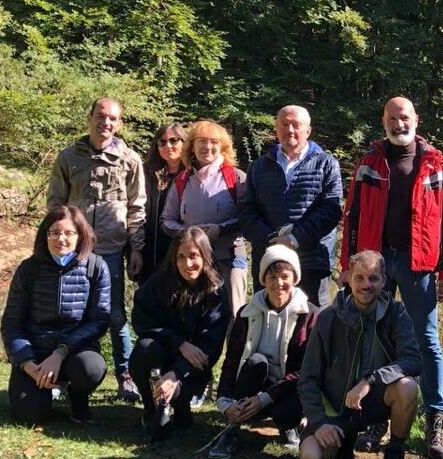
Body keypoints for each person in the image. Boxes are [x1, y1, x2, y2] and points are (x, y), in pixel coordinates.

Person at [339, 96, 443, 459]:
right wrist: (348, 265)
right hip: (377, 261)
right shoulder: (370, 163)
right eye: (392, 117)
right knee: (375, 336)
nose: (398, 123)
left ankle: (436, 420)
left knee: (426, 340)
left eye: (404, 117)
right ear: (384, 120)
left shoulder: (436, 164)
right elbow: (352, 217)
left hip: (418, 263)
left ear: (415, 120)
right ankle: (379, 418)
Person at [47, 97, 147, 402]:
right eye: (101, 117)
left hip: (113, 250)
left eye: (113, 119)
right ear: (90, 118)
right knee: (70, 314)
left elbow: (137, 208)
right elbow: (55, 204)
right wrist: (57, 243)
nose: (106, 123)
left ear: (119, 124)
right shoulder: (68, 158)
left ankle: (125, 377)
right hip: (75, 252)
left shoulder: (130, 160)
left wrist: (137, 249)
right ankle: (65, 377)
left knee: (115, 316)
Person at [297, 250, 421, 459]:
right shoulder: (327, 319)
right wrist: (319, 422)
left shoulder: (396, 313)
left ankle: (394, 458)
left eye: (374, 278)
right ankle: (343, 443)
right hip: (335, 408)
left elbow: (413, 360)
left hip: (374, 401)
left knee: (407, 386)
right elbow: (308, 379)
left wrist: (371, 379)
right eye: (360, 278)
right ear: (348, 279)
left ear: (384, 281)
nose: (366, 285)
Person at [0, 205, 110, 425]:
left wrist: (61, 352)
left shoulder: (96, 267)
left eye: (69, 233)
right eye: (55, 232)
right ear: (45, 235)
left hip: (75, 351)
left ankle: (78, 398)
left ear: (81, 236)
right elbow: (12, 323)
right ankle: (46, 389)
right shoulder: (29, 269)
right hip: (36, 351)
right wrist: (27, 363)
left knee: (91, 368)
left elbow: (99, 320)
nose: (61, 239)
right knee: (28, 417)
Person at [208, 244, 320, 459]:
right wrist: (224, 402)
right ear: (263, 279)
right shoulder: (246, 313)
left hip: (288, 389)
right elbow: (232, 361)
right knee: (255, 362)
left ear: (295, 278)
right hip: (253, 384)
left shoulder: (311, 315)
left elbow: (305, 371)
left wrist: (265, 399)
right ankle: (231, 431)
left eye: (284, 277)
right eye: (272, 277)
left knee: (287, 412)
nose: (278, 284)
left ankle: (289, 427)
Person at [129, 227, 228, 442]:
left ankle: (182, 405)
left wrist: (176, 373)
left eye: (193, 256)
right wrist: (179, 343)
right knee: (143, 350)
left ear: (205, 256)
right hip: (164, 351)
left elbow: (211, 345)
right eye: (181, 257)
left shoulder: (217, 291)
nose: (187, 264)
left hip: (195, 363)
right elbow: (141, 318)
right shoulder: (160, 281)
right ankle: (151, 408)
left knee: (193, 368)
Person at [240, 105, 343, 308]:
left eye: (296, 125)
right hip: (269, 260)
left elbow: (331, 210)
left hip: (312, 260)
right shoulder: (258, 166)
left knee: (312, 326)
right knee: (268, 320)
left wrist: (294, 239)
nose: (290, 130)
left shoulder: (327, 163)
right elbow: (246, 210)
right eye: (284, 124)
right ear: (276, 129)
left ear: (308, 130)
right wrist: (272, 240)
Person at [162, 119, 250, 316]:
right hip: (192, 262)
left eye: (214, 142)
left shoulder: (236, 177)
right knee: (196, 314)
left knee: (234, 315)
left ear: (223, 147)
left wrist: (221, 229)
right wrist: (188, 235)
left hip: (230, 258)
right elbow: (166, 220)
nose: (207, 147)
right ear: (192, 145)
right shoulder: (183, 180)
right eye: (201, 141)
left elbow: (248, 218)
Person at [138, 121, 187, 284]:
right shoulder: (147, 174)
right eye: (162, 141)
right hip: (150, 252)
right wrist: (135, 249)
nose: (168, 145)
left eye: (174, 140)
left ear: (184, 143)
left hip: (183, 253)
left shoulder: (194, 175)